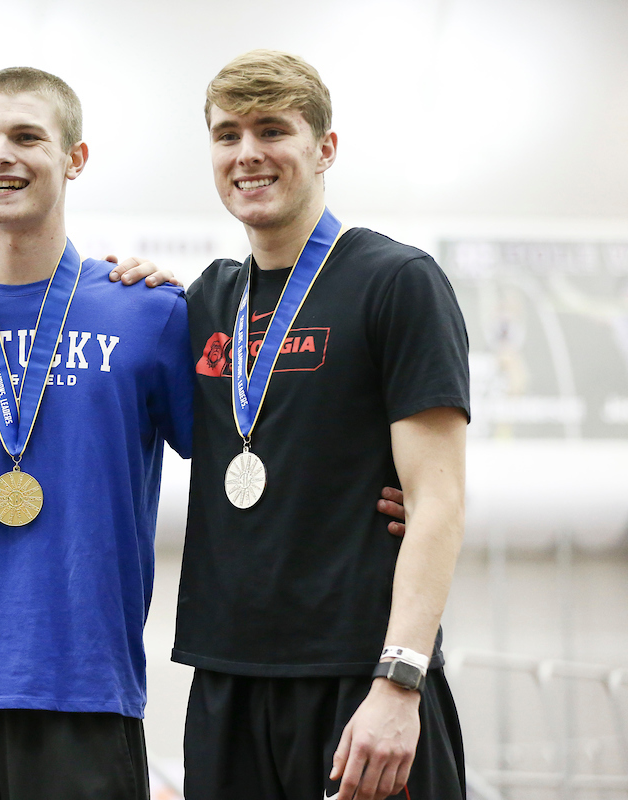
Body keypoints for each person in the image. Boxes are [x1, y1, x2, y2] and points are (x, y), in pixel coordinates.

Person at [0, 67, 194, 800]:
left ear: (74, 159)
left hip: (86, 693)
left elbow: (241, 462)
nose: (0, 156)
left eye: (27, 137)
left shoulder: (147, 313)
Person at [175, 50, 469, 800]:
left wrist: (400, 682)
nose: (247, 154)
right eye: (227, 134)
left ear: (324, 147)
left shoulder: (397, 282)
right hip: (227, 681)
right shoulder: (207, 300)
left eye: (272, 130)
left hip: (360, 682)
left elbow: (437, 501)